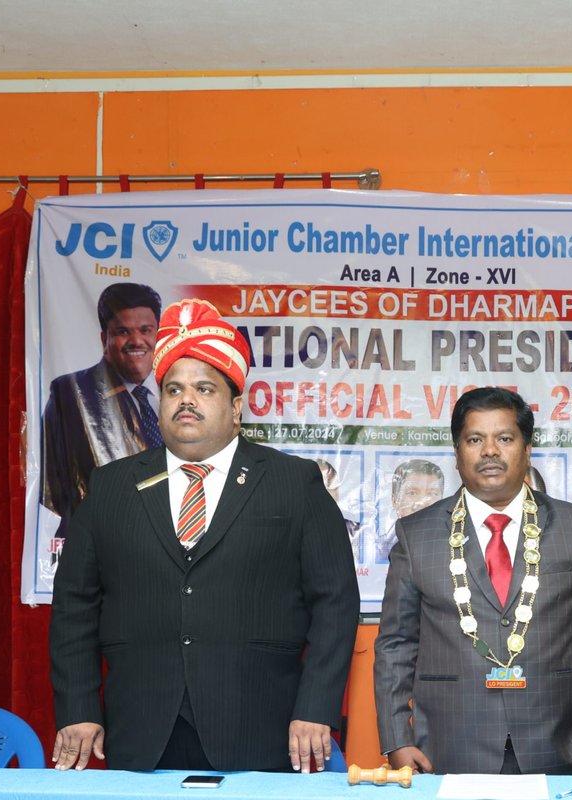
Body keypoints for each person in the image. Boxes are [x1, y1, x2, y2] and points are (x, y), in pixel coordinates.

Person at [50, 298, 359, 773]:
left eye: (204, 388)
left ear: (236, 408)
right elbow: (74, 605)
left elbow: (335, 602)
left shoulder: (292, 482)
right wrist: (78, 708)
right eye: (173, 389)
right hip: (141, 729)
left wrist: (316, 707)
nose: (186, 400)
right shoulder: (112, 486)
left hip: (261, 727)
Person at [375, 387, 572, 775]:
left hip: (560, 741)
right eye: (475, 440)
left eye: (505, 439)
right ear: (457, 453)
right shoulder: (416, 535)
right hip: (451, 745)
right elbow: (396, 644)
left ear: (527, 450)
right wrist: (397, 738)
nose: (490, 451)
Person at [41, 283, 165, 537]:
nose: (137, 341)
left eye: (146, 330)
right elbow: (51, 484)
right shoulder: (71, 394)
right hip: (101, 541)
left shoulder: (181, 389)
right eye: (123, 331)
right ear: (104, 339)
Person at [375, 458, 444, 561]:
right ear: (395, 500)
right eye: (412, 493)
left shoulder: (455, 547)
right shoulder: (379, 551)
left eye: (432, 493)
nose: (422, 502)